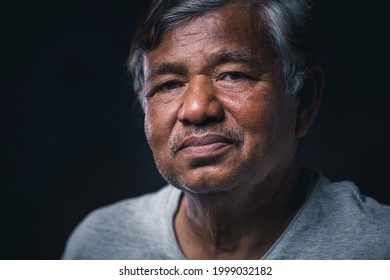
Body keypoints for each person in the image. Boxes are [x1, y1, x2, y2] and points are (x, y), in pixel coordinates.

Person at [62, 0, 390, 260]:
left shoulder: (376, 251)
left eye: (232, 75)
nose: (196, 109)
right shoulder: (97, 248)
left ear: (304, 99)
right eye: (169, 84)